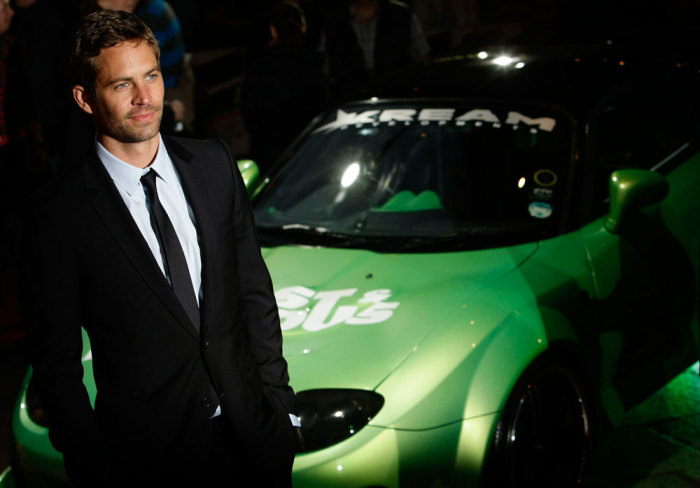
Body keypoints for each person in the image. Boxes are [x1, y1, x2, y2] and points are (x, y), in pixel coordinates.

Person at [22, 9, 297, 487]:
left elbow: (254, 294)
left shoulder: (213, 164)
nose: (145, 98)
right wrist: (94, 466)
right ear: (85, 99)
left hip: (254, 441)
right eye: (121, 85)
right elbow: (56, 364)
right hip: (148, 461)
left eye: (151, 76)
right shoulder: (58, 216)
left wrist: (280, 408)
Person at [240, 1, 326, 174]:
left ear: (273, 30)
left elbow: (250, 118)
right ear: (303, 26)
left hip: (272, 166)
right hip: (313, 156)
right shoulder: (319, 64)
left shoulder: (258, 69)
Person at [321, 0, 430, 99]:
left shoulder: (402, 14)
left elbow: (422, 60)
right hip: (349, 102)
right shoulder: (334, 20)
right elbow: (323, 68)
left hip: (397, 98)